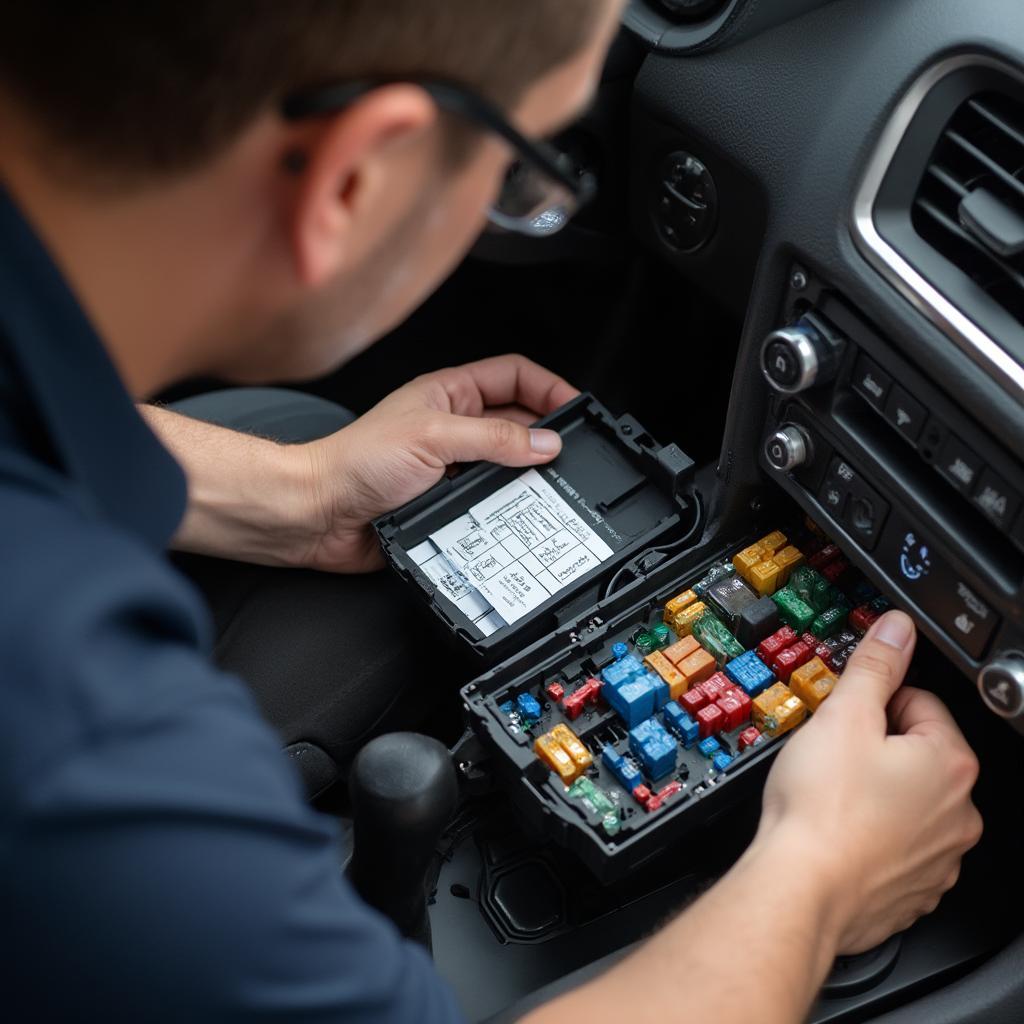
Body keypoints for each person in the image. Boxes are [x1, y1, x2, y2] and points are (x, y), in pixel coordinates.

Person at [0, 2, 982, 1021]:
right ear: (354, 178)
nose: (520, 196)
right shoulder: (79, 750)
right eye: (523, 167)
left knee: (287, 428)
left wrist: (297, 491)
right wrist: (817, 880)